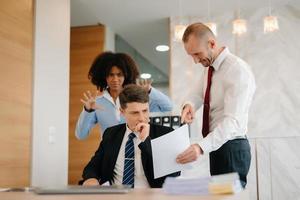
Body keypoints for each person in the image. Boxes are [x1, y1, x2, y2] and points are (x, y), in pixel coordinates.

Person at [175, 23, 256, 187]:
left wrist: (200, 147)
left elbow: (232, 122)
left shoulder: (237, 70)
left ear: (211, 44)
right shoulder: (210, 68)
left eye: (197, 54)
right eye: (191, 56)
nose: (196, 60)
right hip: (218, 146)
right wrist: (189, 105)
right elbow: (198, 93)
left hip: (232, 149)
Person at [81, 84, 180, 188]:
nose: (142, 118)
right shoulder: (111, 134)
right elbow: (93, 166)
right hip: (116, 195)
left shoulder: (165, 133)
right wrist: (91, 179)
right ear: (122, 112)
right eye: (135, 113)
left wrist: (145, 141)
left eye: (145, 111)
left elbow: (173, 175)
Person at [75, 52, 173, 140]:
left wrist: (150, 90)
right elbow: (81, 135)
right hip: (110, 157)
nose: (115, 79)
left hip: (136, 152)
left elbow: (168, 107)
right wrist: (88, 110)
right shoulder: (97, 103)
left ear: (126, 75)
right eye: (111, 75)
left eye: (119, 74)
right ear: (104, 76)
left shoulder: (136, 100)